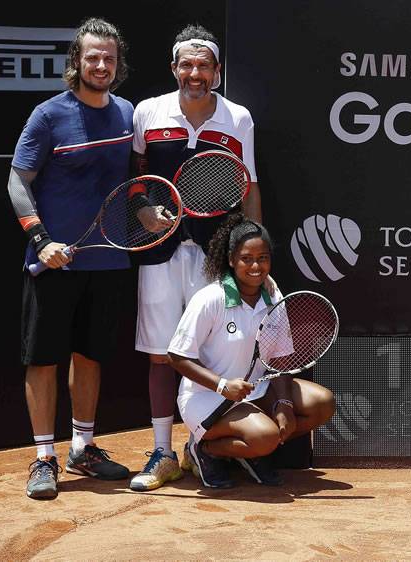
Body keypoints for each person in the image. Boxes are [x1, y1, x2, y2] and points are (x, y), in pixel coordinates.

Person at [127, 24, 264, 492]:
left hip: (214, 254)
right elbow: (137, 174)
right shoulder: (147, 112)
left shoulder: (238, 118)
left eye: (204, 65)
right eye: (187, 64)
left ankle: (199, 447)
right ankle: (163, 452)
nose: (195, 73)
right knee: (163, 356)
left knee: (210, 355)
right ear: (173, 69)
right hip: (160, 251)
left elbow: (248, 186)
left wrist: (256, 249)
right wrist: (143, 209)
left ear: (218, 72)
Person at [9, 17, 133, 499]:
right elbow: (19, 182)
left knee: (91, 356)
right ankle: (45, 456)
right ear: (76, 62)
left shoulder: (126, 112)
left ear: (118, 63)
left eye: (109, 57)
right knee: (43, 360)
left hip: (108, 261)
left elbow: (128, 185)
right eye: (92, 57)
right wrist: (41, 240)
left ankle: (83, 447)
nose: (101, 65)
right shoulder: (48, 115)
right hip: (53, 261)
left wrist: (146, 212)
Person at [168, 214, 336, 488]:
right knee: (267, 437)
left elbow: (280, 359)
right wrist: (222, 386)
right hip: (206, 398)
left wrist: (284, 404)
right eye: (247, 258)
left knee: (322, 403)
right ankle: (203, 451)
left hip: (256, 392)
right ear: (232, 260)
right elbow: (176, 356)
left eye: (263, 258)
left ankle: (250, 453)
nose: (256, 266)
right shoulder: (211, 298)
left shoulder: (273, 295)